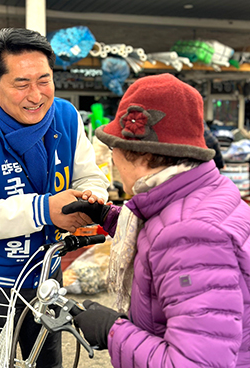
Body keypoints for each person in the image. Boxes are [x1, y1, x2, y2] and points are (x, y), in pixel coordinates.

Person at [62, 74, 250, 367]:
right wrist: (107, 217)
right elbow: (161, 228)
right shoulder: (204, 193)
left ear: (140, 154)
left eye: (114, 151)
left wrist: (112, 331)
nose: (113, 161)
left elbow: (195, 363)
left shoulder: (190, 237)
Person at [0, 28, 109, 368]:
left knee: (47, 360)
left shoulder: (65, 117)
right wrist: (45, 210)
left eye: (44, 80)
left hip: (44, 272)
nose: (36, 95)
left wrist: (89, 200)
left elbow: (90, 175)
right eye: (22, 83)